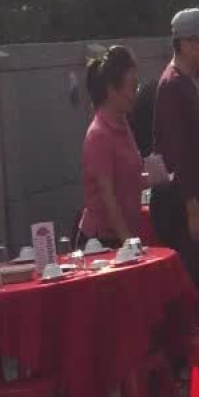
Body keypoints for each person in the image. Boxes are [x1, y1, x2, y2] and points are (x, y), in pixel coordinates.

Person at [150, 8, 199, 326]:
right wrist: (193, 209)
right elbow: (177, 152)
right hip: (181, 204)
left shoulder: (181, 83)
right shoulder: (172, 86)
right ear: (184, 44)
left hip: (189, 197)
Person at [77, 46, 144, 249]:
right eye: (132, 87)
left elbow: (129, 179)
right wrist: (130, 245)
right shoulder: (99, 135)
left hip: (124, 236)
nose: (136, 94)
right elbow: (109, 199)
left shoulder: (123, 125)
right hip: (101, 242)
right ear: (111, 90)